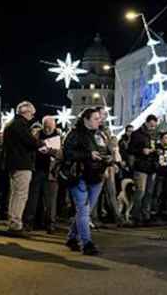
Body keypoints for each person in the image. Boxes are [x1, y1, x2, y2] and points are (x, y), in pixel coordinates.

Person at [63, 108, 112, 255]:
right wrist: (88, 155)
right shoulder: (75, 134)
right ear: (86, 119)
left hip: (97, 176)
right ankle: (87, 243)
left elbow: (105, 151)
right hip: (79, 176)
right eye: (96, 118)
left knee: (85, 210)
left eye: (100, 118)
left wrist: (108, 159)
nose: (100, 120)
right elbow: (68, 153)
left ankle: (72, 237)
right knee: (84, 211)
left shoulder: (101, 134)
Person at [3, 101, 47, 237]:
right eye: (32, 113)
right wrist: (42, 143)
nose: (32, 116)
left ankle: (12, 221)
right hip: (21, 163)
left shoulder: (11, 124)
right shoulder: (20, 124)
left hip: (13, 163)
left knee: (15, 194)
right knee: (21, 195)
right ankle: (16, 224)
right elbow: (30, 141)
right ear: (26, 112)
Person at [23, 116, 61, 232]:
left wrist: (49, 151)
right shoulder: (36, 135)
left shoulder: (60, 137)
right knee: (33, 198)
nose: (48, 129)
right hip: (37, 170)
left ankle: (50, 224)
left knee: (50, 201)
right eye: (46, 126)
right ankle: (29, 222)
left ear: (54, 126)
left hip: (52, 172)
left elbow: (61, 154)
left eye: (50, 126)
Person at [129, 115, 159, 226]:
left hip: (152, 166)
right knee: (140, 191)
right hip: (141, 166)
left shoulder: (154, 135)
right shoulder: (137, 134)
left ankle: (146, 215)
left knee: (149, 192)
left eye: (154, 126)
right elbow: (130, 149)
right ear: (146, 123)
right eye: (151, 125)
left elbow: (156, 147)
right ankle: (136, 216)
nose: (153, 127)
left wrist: (157, 152)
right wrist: (141, 151)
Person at [152, 132, 167, 219]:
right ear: (161, 139)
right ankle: (154, 211)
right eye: (166, 138)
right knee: (157, 193)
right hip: (159, 173)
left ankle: (165, 211)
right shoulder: (157, 148)